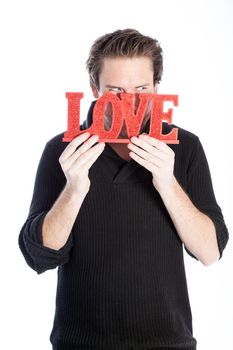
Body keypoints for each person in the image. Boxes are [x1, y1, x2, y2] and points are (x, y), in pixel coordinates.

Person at [18, 28, 229, 350]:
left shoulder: (185, 147)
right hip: (80, 343)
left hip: (169, 342)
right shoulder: (62, 150)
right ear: (94, 89)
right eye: (115, 90)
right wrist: (74, 188)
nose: (128, 102)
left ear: (157, 88)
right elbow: (39, 256)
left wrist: (166, 181)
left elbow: (209, 252)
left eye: (141, 88)